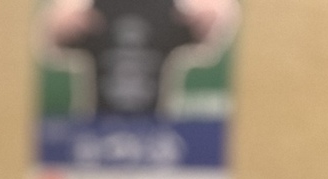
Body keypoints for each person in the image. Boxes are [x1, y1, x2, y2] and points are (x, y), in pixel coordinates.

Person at [42, 0, 234, 117]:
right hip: (100, 129)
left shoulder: (167, 11)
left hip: (154, 130)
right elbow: (55, 39)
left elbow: (206, 34)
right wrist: (60, 24)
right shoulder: (96, 12)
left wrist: (212, 14)